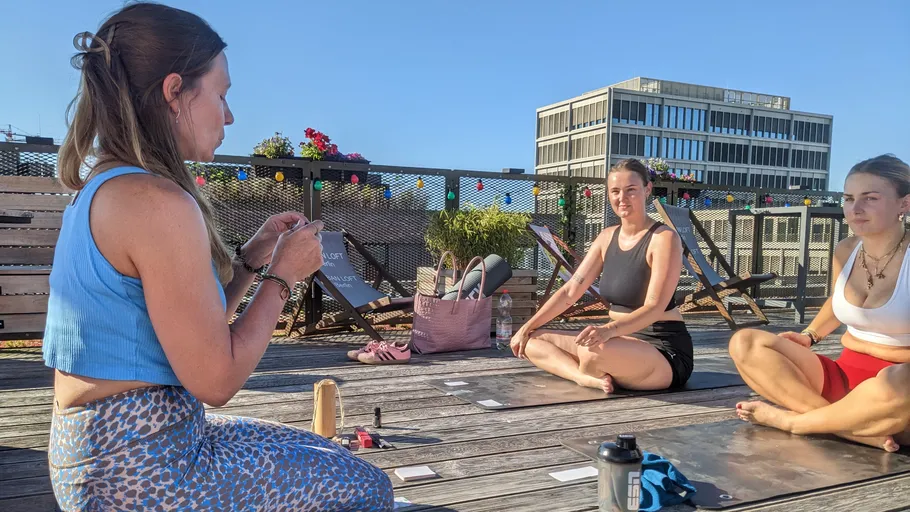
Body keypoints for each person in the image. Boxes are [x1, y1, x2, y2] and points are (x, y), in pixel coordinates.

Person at [42, 3, 393, 510]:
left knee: (322, 449)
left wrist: (251, 261)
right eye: (222, 95)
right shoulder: (157, 203)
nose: (229, 115)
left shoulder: (102, 186)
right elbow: (216, 380)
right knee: (366, 489)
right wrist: (282, 278)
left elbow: (193, 338)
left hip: (103, 450)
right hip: (139, 468)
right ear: (174, 91)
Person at [730, 154, 910, 452]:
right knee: (745, 342)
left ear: (904, 204)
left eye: (871, 198)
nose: (856, 208)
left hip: (894, 393)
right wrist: (810, 334)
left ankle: (795, 422)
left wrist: (880, 351)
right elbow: (836, 300)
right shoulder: (846, 250)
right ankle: (849, 428)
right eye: (849, 198)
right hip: (845, 374)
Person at [510, 158, 693, 393]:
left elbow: (655, 307)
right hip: (616, 341)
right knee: (533, 341)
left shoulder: (663, 239)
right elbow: (569, 291)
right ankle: (583, 377)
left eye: (631, 190)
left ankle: (590, 368)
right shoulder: (607, 237)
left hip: (661, 350)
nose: (622, 198)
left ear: (647, 190)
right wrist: (526, 327)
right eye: (615, 191)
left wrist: (607, 331)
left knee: (592, 351)